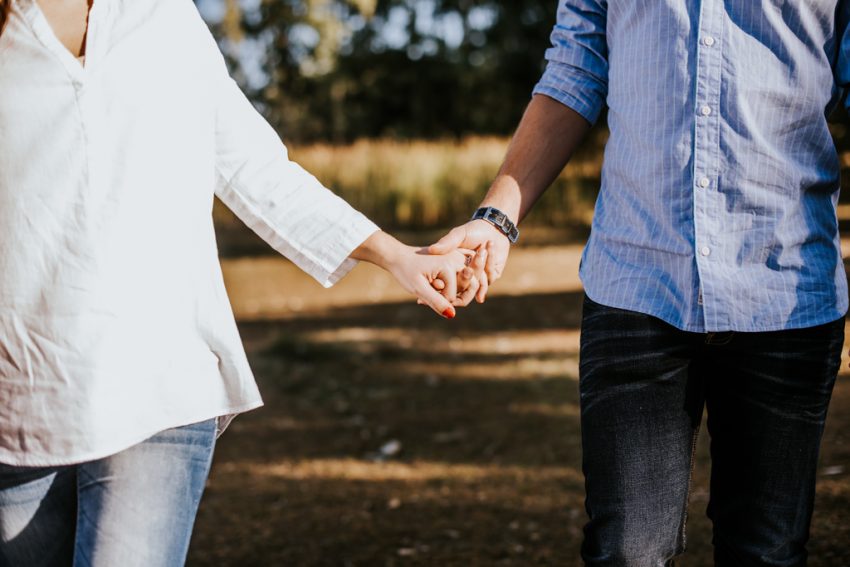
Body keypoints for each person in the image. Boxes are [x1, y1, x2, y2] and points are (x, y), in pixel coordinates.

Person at [0, 0, 481, 565]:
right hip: (24, 392)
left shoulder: (162, 15)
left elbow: (254, 170)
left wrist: (397, 256)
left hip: (162, 380)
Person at [432, 1, 849, 564]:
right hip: (635, 283)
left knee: (767, 553)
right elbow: (577, 65)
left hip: (786, 283)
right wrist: (497, 218)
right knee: (626, 553)